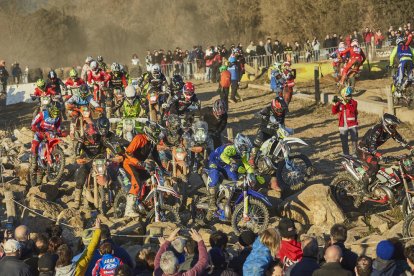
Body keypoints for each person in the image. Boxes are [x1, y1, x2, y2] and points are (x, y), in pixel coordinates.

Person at [356, 113, 413, 203]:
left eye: (394, 126)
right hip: (363, 150)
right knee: (374, 165)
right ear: (386, 124)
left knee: (381, 167)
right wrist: (381, 156)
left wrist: (411, 148)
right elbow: (372, 147)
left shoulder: (391, 131)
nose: (394, 128)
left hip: (371, 150)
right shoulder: (377, 130)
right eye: (392, 126)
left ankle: (379, 186)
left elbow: (401, 140)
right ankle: (363, 188)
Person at [73, 117, 123, 209]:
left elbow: (110, 145)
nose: (93, 138)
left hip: (100, 160)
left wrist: (117, 154)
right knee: (81, 173)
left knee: (112, 172)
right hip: (87, 160)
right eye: (91, 136)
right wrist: (77, 157)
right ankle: (77, 200)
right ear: (87, 134)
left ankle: (111, 195)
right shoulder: (82, 138)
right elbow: (77, 148)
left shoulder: (101, 138)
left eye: (95, 135)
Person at [206, 133, 255, 219]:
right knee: (215, 175)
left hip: (225, 164)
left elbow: (246, 164)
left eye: (246, 149)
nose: (245, 151)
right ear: (239, 145)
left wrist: (251, 174)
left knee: (235, 180)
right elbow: (223, 156)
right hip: (214, 161)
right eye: (244, 148)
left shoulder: (241, 153)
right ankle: (212, 202)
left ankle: (228, 200)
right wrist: (231, 163)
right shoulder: (231, 148)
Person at [122, 123, 165, 217]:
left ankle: (142, 203)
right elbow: (128, 153)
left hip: (140, 165)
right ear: (149, 132)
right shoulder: (139, 138)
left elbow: (156, 156)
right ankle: (128, 210)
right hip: (130, 163)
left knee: (150, 179)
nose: (156, 136)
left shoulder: (151, 142)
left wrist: (162, 168)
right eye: (155, 134)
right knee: (137, 183)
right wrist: (138, 162)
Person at [30, 102, 64, 186]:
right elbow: (33, 124)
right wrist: (36, 129)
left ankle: (55, 160)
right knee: (35, 147)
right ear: (50, 110)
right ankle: (34, 165)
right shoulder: (42, 114)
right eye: (54, 112)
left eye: (57, 112)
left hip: (50, 134)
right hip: (40, 133)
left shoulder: (58, 118)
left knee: (55, 143)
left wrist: (60, 133)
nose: (56, 114)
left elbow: (58, 127)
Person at [332, 87, 359, 156]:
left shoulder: (354, 102)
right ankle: (346, 154)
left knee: (354, 140)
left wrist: (346, 103)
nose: (349, 97)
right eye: (347, 96)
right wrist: (335, 105)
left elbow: (352, 109)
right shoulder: (340, 104)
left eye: (350, 95)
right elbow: (334, 112)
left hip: (352, 125)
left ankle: (355, 155)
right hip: (342, 125)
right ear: (343, 96)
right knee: (344, 142)